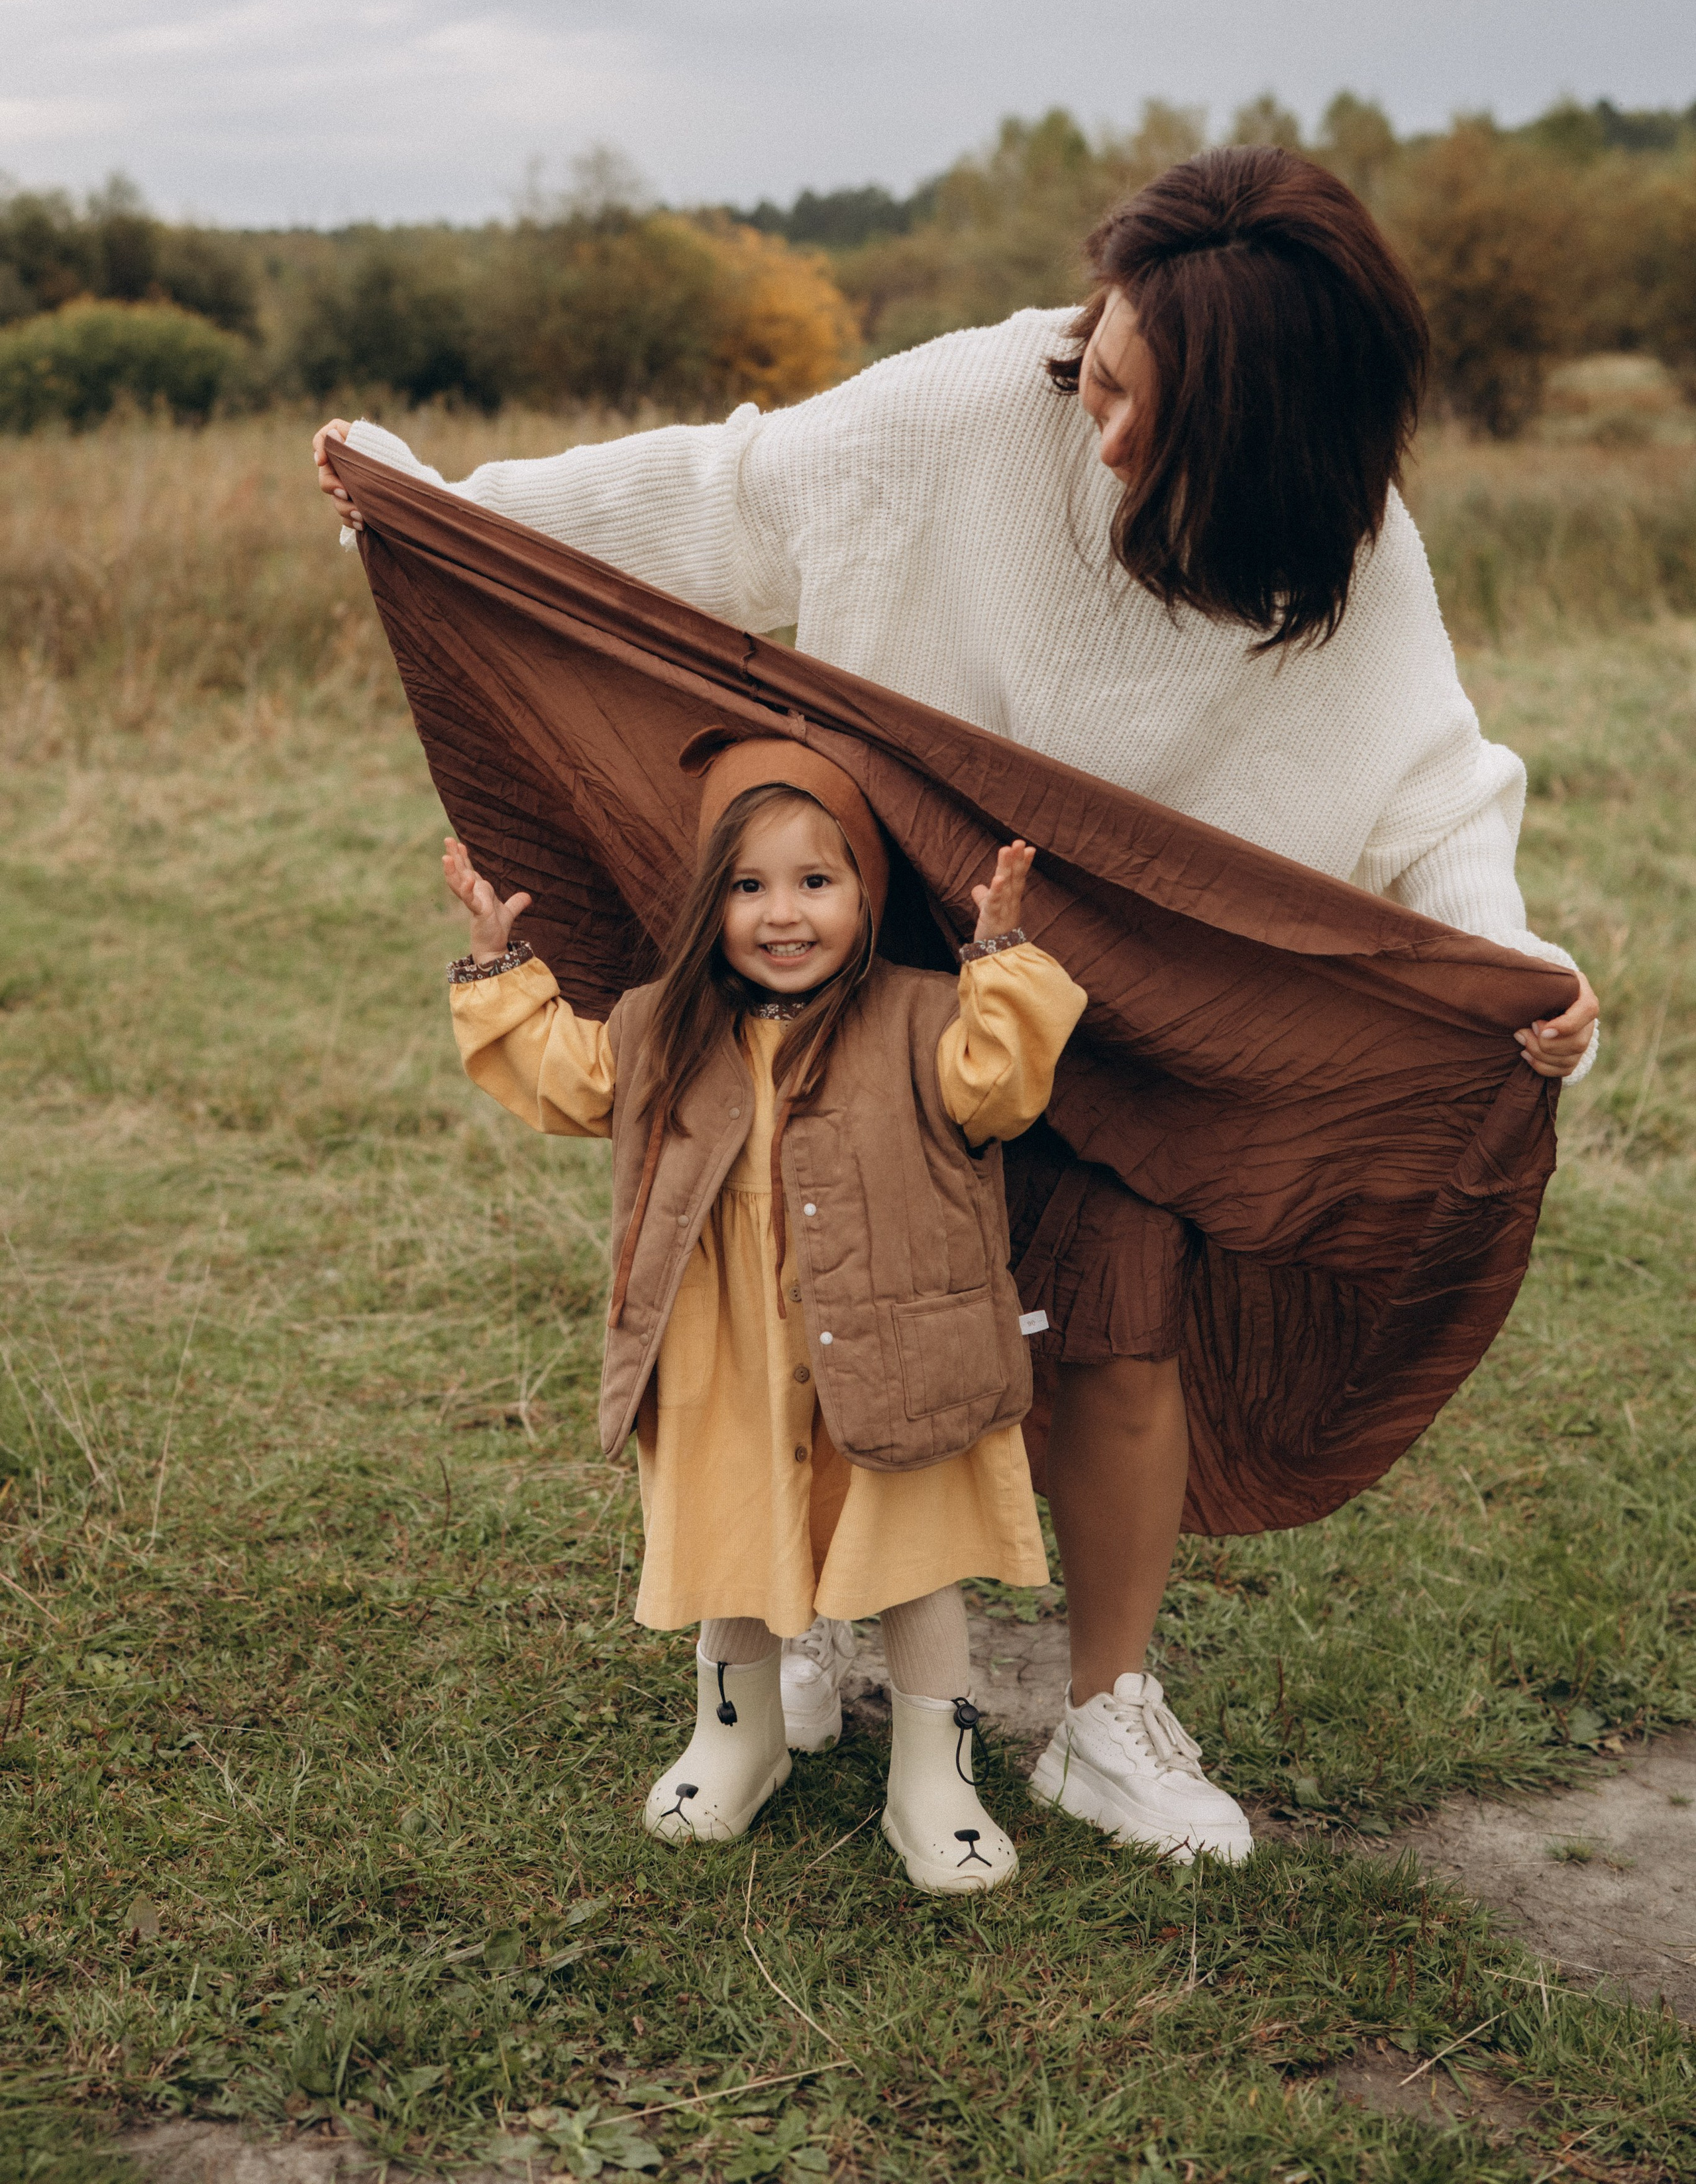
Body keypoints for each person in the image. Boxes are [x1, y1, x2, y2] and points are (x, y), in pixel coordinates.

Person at [317, 144, 1598, 1862]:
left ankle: (1102, 1714)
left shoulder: (1343, 557)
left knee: (1124, 1326)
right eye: (1106, 370)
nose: (1108, 431)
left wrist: (1507, 970)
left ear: (1279, 435)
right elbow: (735, 492)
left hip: (1131, 1005)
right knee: (821, 1285)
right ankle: (804, 1628)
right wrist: (440, 503)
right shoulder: (990, 400)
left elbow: (1433, 792)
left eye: (1160, 413)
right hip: (896, 947)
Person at [442, 733, 1090, 1890]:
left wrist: (999, 953)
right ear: (711, 905)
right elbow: (564, 1072)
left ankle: (932, 1776)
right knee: (732, 1532)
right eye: (749, 887)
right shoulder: (663, 1027)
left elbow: (1003, 1084)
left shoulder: (923, 1018)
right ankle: (738, 1739)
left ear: (865, 895)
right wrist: (498, 971)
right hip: (728, 1347)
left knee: (910, 1545)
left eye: (815, 882)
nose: (782, 915)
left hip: (894, 1342)